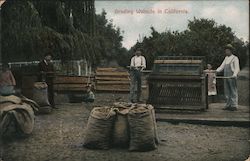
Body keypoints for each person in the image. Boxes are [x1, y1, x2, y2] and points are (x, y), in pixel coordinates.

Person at [216, 44, 240, 111]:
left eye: (227, 50)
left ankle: (234, 105)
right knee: (227, 90)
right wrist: (216, 71)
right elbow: (222, 67)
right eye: (225, 50)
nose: (226, 52)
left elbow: (237, 68)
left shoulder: (235, 58)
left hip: (232, 76)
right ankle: (228, 104)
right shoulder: (226, 58)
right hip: (226, 76)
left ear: (230, 51)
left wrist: (234, 74)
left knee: (233, 90)